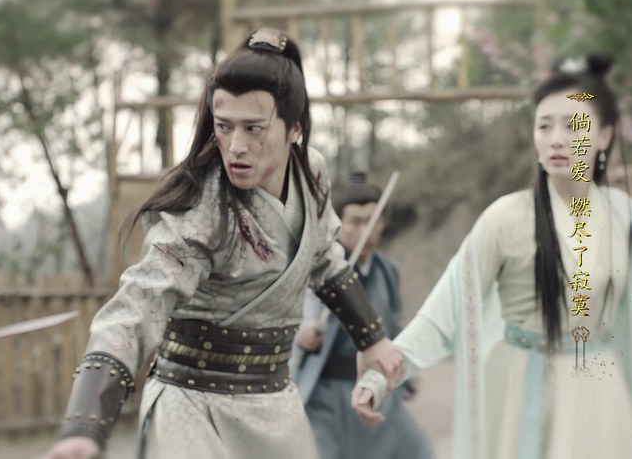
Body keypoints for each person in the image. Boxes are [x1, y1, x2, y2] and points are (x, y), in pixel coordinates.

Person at [45, 28, 403, 459]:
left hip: (274, 398)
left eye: (254, 128)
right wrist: (84, 425)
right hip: (193, 407)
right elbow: (136, 308)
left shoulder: (311, 173)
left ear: (294, 128)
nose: (236, 147)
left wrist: (372, 338)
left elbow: (324, 257)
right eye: (224, 126)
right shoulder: (202, 210)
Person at [353, 54, 632, 458]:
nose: (556, 139)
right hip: (518, 387)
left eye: (572, 125)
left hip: (595, 390)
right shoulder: (505, 218)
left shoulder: (623, 214)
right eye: (545, 126)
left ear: (605, 136)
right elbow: (446, 311)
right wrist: (380, 376)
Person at [294, 174, 434, 459]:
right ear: (339, 223)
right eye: (355, 221)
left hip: (373, 385)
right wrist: (306, 332)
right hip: (326, 392)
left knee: (416, 451)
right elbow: (307, 310)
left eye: (371, 221)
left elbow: (394, 326)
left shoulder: (387, 271)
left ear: (382, 223)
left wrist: (407, 375)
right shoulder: (325, 266)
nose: (364, 230)